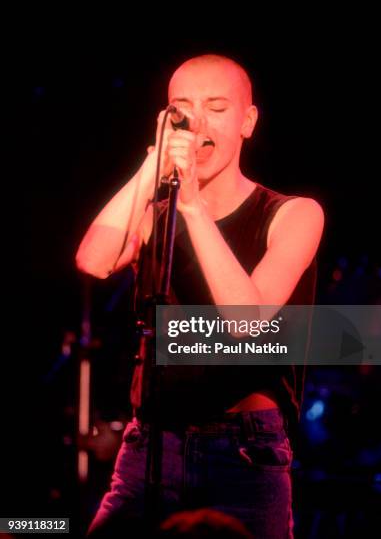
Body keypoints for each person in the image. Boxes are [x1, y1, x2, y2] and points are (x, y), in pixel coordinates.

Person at [76, 54, 324, 538]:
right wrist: (153, 165)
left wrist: (192, 208)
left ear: (248, 121)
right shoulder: (158, 214)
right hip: (151, 441)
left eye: (217, 107)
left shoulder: (294, 214)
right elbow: (93, 259)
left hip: (243, 452)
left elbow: (247, 318)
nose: (199, 121)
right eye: (182, 107)